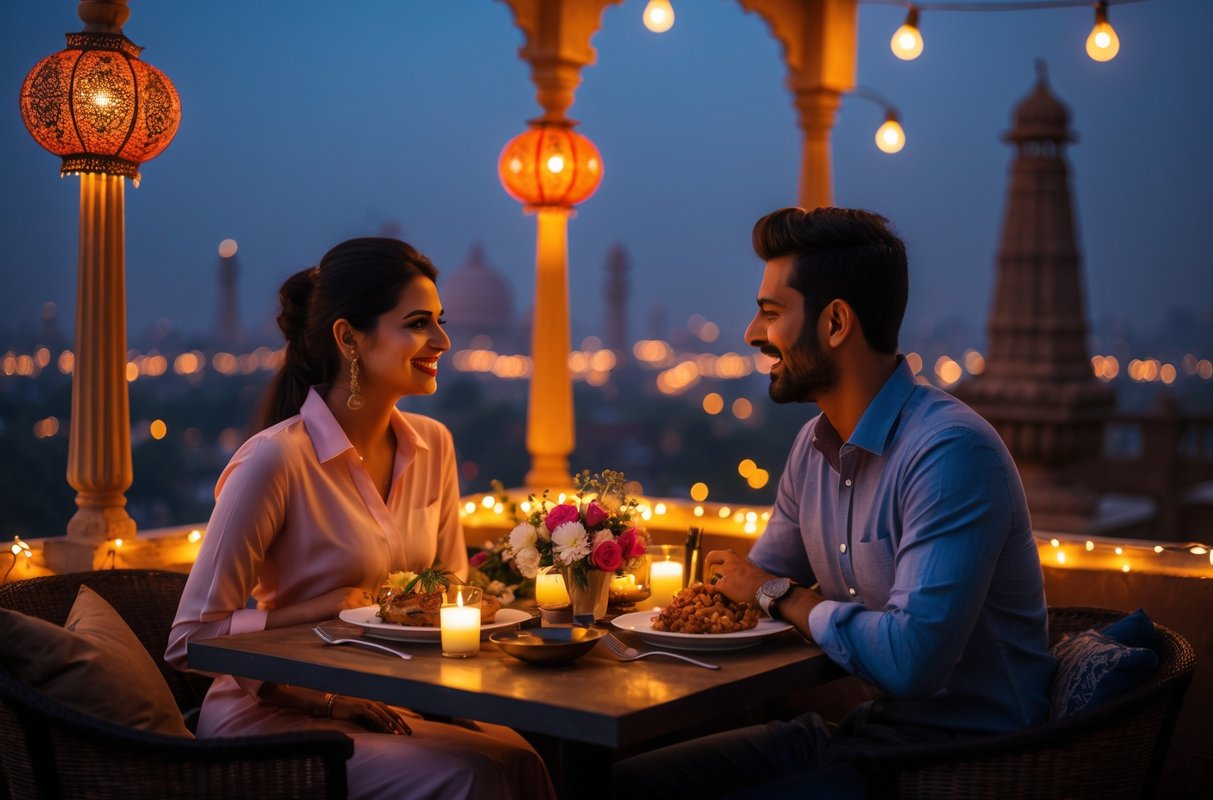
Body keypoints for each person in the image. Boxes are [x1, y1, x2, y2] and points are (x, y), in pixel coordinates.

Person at [615, 208, 1056, 798]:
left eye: (771, 313)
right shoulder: (813, 447)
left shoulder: (950, 453)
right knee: (619, 783)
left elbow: (911, 661)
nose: (751, 333)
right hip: (867, 736)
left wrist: (780, 595)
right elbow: (750, 588)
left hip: (965, 763)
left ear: (836, 322)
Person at [167, 237, 555, 800]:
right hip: (276, 720)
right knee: (473, 774)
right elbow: (189, 638)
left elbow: (454, 598)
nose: (443, 340)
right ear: (349, 337)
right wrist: (317, 624)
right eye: (419, 323)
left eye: (440, 321)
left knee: (522, 759)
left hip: (390, 700)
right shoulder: (276, 460)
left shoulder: (433, 446)